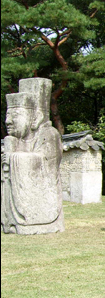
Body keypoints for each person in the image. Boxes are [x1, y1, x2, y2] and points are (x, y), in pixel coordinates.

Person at [1, 78, 64, 234]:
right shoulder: (17, 140)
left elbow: (46, 164)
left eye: (15, 116)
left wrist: (13, 158)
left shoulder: (49, 134)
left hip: (44, 196)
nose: (8, 121)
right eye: (8, 116)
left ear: (35, 117)